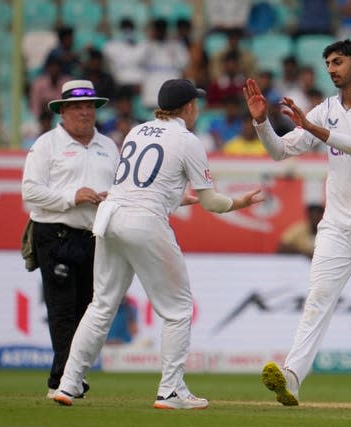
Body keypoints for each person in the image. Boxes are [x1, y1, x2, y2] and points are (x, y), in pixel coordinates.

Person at [52, 79, 265, 409]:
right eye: (196, 103)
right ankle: (171, 391)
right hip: (144, 221)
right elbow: (212, 203)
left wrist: (178, 200)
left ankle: (68, 384)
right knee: (178, 310)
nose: (198, 108)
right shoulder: (188, 140)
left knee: (101, 305)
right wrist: (239, 203)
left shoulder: (138, 131)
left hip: (111, 217)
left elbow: (145, 185)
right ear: (188, 107)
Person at [243, 39, 351, 410]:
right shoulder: (324, 109)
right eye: (328, 63)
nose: (332, 69)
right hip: (336, 225)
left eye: (339, 62)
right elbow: (280, 151)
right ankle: (292, 378)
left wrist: (312, 128)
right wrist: (261, 121)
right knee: (317, 300)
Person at [21, 80, 120, 399]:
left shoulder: (109, 145)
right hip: (55, 233)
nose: (85, 112)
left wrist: (110, 199)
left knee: (87, 309)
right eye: (77, 106)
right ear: (62, 111)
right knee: (63, 309)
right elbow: (30, 192)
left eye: (90, 106)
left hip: (95, 235)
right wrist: (71, 196)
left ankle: (69, 376)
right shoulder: (47, 144)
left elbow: (121, 187)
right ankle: (63, 380)